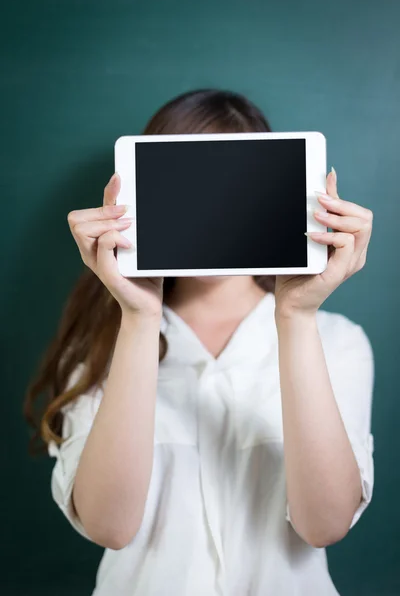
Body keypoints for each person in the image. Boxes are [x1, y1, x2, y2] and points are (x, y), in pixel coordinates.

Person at [24, 89, 374, 596]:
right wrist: (139, 318)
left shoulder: (339, 342)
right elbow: (108, 526)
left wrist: (296, 316)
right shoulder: (101, 348)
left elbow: (324, 525)